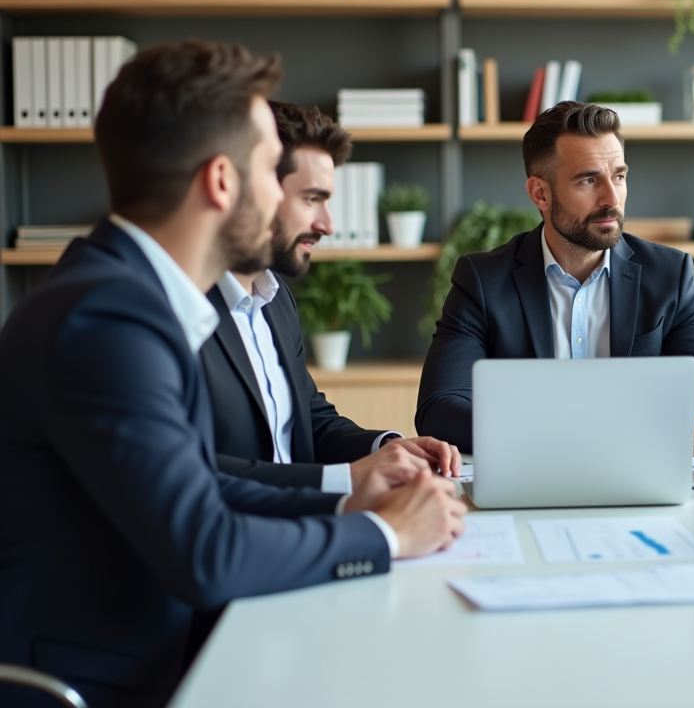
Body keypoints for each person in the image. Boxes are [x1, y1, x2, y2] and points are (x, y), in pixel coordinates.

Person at [0, 40, 466, 708]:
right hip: (114, 682)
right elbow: (206, 551)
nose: (283, 198)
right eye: (271, 170)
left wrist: (350, 503)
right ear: (222, 182)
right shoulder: (106, 320)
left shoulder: (131, 298)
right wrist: (387, 534)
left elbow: (203, 484)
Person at [416, 100, 694, 450]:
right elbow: (439, 409)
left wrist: (610, 433)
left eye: (619, 176)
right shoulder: (483, 280)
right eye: (588, 180)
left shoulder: (670, 275)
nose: (611, 198)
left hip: (636, 467)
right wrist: (562, 434)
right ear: (540, 194)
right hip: (531, 470)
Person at [202, 101, 460, 492]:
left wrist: (386, 448)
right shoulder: (181, 311)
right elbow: (191, 470)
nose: (327, 225)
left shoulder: (274, 299)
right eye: (311, 199)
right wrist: (348, 480)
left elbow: (309, 419)